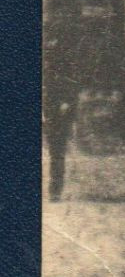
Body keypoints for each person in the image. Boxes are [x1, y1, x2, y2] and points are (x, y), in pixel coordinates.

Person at [42, 34, 80, 202]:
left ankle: (55, 191)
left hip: (55, 113)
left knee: (56, 153)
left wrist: (66, 103)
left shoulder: (63, 71)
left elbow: (72, 89)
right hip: (47, 111)